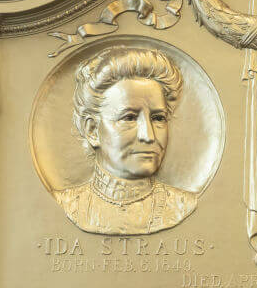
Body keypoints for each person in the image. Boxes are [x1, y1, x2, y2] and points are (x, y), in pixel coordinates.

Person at [54, 47, 197, 235]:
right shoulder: (67, 205)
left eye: (158, 118)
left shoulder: (183, 205)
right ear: (92, 130)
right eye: (129, 118)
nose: (149, 136)